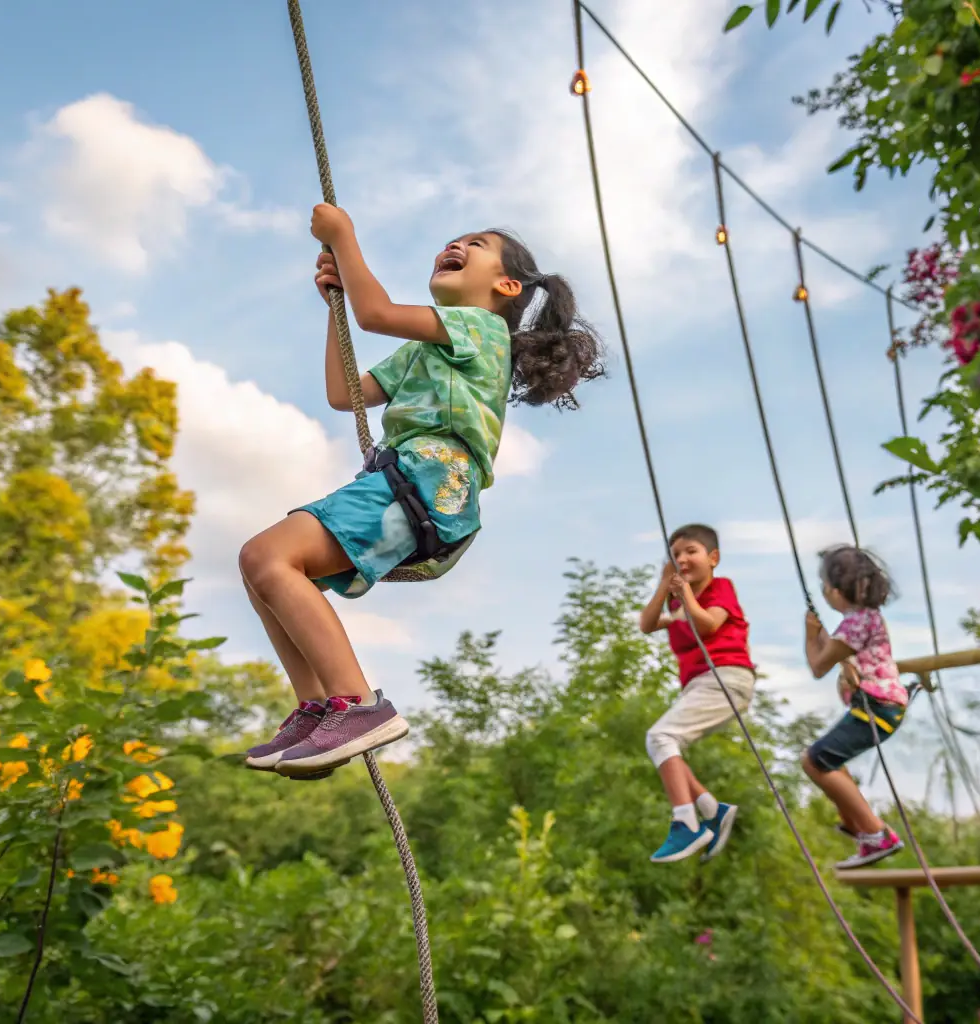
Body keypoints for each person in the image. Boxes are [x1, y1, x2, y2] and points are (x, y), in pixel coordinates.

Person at [241, 205, 603, 778]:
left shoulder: (483, 328)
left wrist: (345, 239)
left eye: (475, 244)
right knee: (263, 569)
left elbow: (377, 311)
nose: (454, 244)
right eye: (452, 240)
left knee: (268, 556)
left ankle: (356, 704)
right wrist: (335, 310)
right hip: (412, 488)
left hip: (428, 481)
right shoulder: (424, 348)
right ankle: (319, 708)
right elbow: (345, 393)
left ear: (506, 286)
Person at [638, 524, 756, 863]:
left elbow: (709, 624)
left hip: (725, 678)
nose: (683, 559)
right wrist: (664, 585)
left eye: (691, 551)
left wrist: (684, 594)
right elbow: (646, 624)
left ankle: (686, 822)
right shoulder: (677, 606)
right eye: (676, 555)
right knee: (666, 744)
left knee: (660, 737)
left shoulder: (721, 588)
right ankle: (710, 809)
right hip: (703, 683)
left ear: (713, 558)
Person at [802, 544, 908, 869]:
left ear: (836, 590)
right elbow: (837, 654)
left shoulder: (855, 624)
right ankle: (859, 826)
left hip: (876, 708)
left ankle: (876, 832)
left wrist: (810, 635)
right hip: (879, 707)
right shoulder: (863, 619)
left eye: (824, 585)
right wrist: (823, 636)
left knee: (815, 760)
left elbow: (819, 665)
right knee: (828, 759)